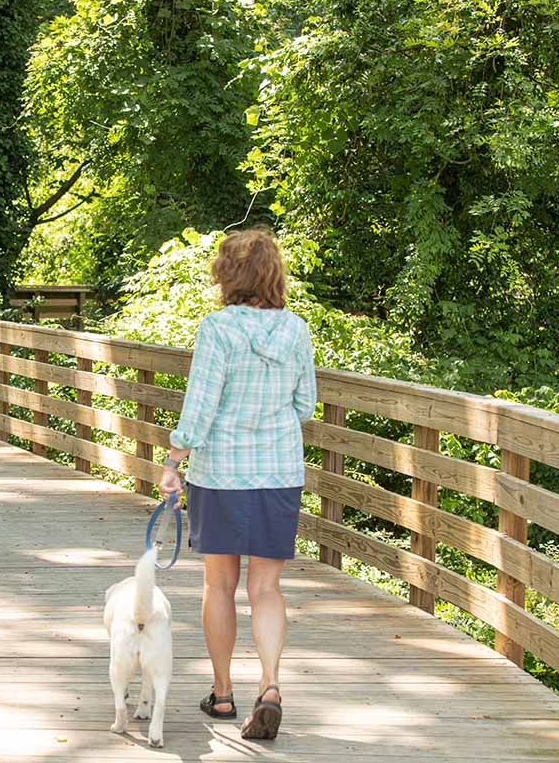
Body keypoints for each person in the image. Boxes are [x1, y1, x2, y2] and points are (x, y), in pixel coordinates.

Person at [158, 227, 316, 740]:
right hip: (278, 472)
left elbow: (200, 408)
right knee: (266, 587)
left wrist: (173, 460)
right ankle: (270, 685)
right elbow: (303, 406)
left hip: (222, 474)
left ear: (228, 275)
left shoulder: (218, 328)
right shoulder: (295, 330)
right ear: (273, 274)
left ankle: (222, 693)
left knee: (218, 585)